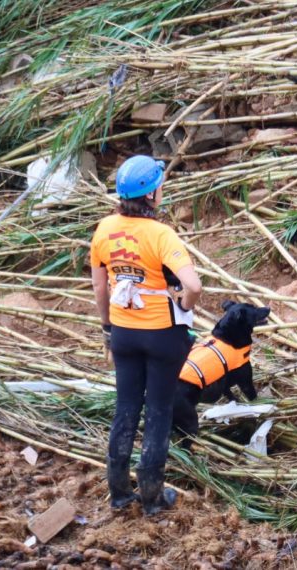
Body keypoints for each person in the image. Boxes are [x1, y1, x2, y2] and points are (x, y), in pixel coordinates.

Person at [90, 155, 202, 515]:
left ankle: (120, 492)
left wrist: (108, 327)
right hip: (160, 336)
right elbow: (193, 285)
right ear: (151, 194)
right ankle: (152, 496)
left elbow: (100, 288)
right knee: (158, 410)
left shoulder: (104, 228)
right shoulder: (161, 234)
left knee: (125, 408)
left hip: (123, 332)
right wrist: (184, 302)